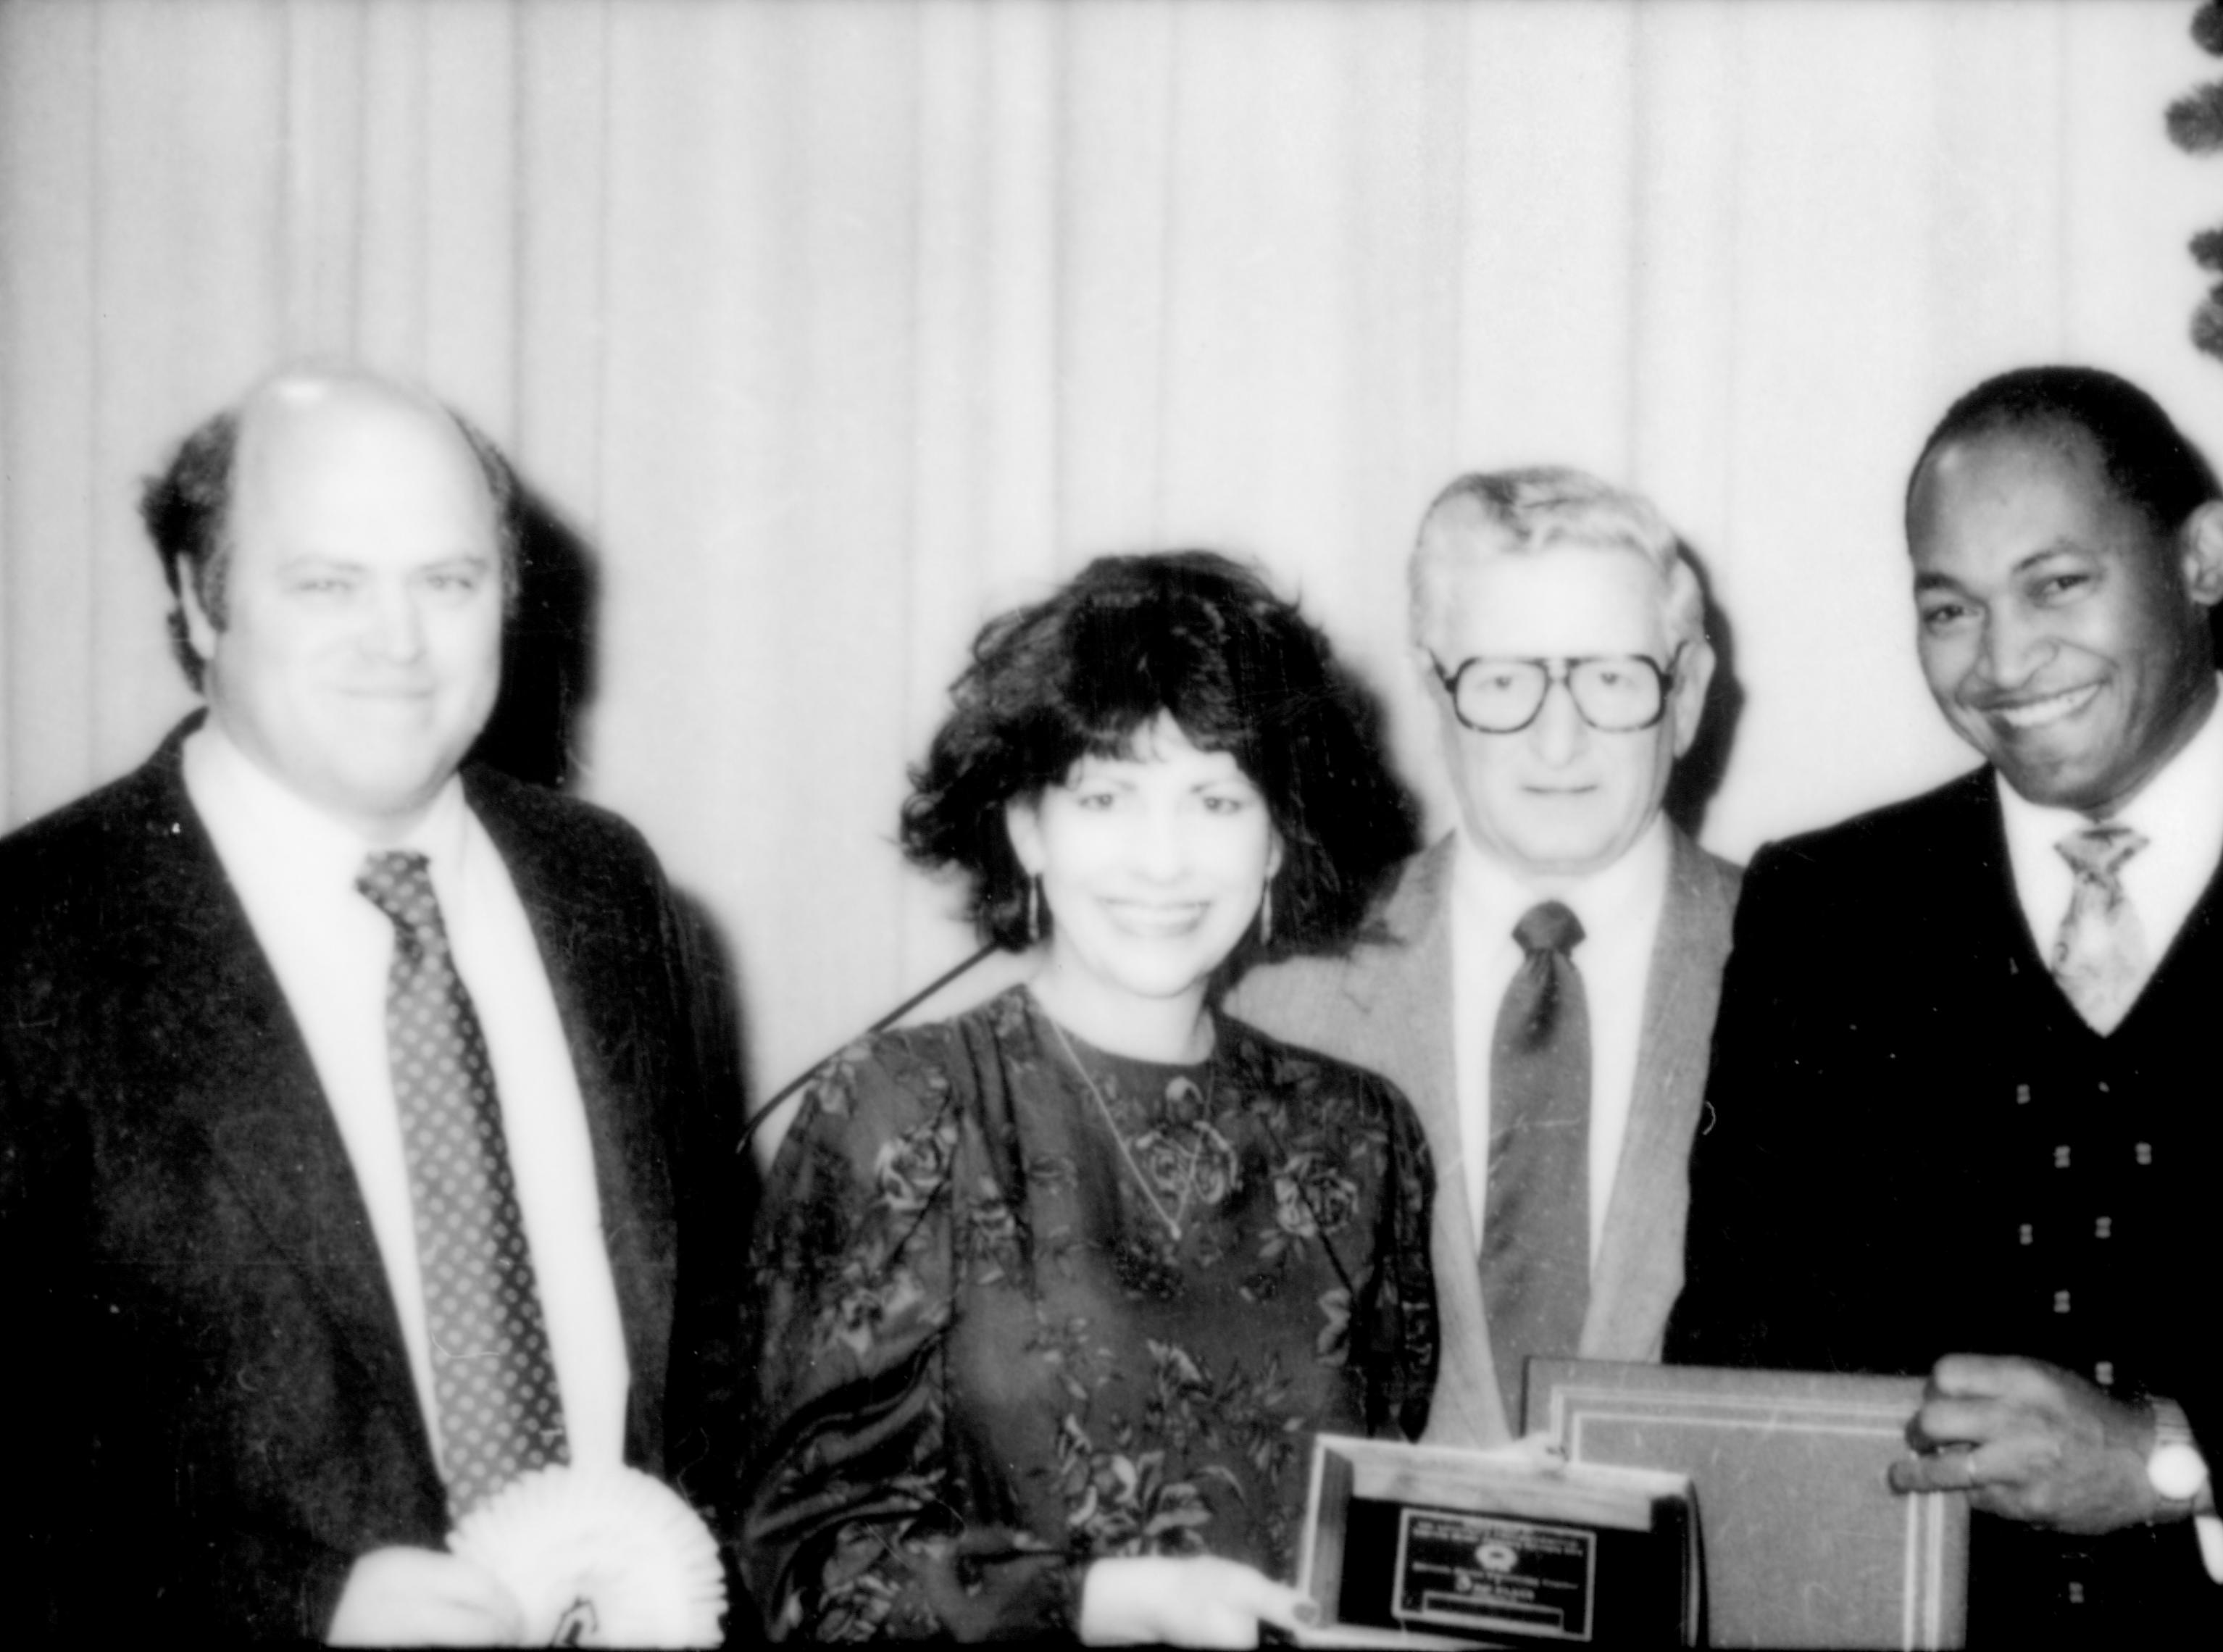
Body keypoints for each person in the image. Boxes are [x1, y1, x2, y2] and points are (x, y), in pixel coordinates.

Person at [0, 365, 746, 1643]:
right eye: (327, 583)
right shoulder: (34, 938)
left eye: (448, 582)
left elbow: (708, 1364)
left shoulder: (607, 888)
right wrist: (287, 1606)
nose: (399, 643)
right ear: (197, 597)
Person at [1667, 364, 2223, 1646]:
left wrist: (2171, 1458)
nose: (2004, 661)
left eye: (2058, 585)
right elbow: (1738, 1353)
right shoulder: (1829, 907)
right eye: (1948, 609)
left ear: (2202, 557)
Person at [738, 551, 1435, 1645]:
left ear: (1277, 841)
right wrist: (1115, 1603)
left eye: (1215, 799)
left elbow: (1368, 1519)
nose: (1161, 860)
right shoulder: (901, 1107)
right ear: (1028, 828)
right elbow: (805, 1566)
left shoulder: (1359, 1132)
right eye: (1107, 797)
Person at [1231, 467, 1740, 1444]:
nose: (1559, 742)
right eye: (1504, 681)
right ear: (1433, 685)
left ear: (1688, 692)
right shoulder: (1280, 990)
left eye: (1610, 678)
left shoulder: (1823, 972)